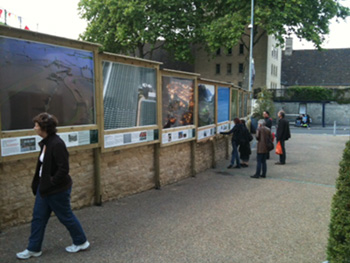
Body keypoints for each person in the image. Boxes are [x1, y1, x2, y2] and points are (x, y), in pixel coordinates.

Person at [16, 113, 90, 260]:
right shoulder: (46, 142)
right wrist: (41, 184)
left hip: (57, 190)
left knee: (66, 217)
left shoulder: (57, 144)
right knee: (38, 218)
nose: (34, 128)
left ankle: (81, 242)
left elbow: (64, 169)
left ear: (44, 128)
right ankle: (33, 249)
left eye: (36, 125)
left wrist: (51, 182)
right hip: (44, 189)